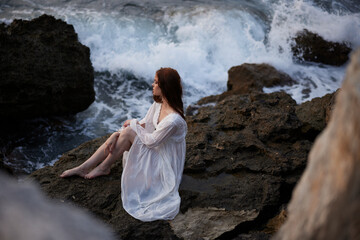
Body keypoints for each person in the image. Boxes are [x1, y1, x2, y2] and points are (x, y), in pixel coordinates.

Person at [60, 67, 187, 222]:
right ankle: (84, 167)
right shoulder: (160, 104)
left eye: (155, 83)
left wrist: (131, 125)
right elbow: (144, 124)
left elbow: (151, 140)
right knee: (124, 134)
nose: (152, 85)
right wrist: (116, 134)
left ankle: (102, 167)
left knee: (128, 133)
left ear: (165, 87)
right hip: (156, 150)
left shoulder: (174, 119)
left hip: (164, 164)